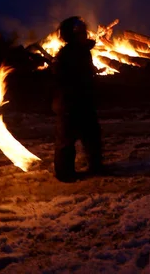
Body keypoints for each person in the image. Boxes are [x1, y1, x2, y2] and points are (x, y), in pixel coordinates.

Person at [51, 16, 103, 182]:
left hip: (84, 100)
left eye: (84, 32)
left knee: (92, 135)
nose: (85, 35)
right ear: (72, 35)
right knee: (66, 139)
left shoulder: (83, 51)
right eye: (80, 33)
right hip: (69, 102)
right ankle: (64, 173)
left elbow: (87, 72)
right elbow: (62, 79)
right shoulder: (66, 55)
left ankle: (96, 166)